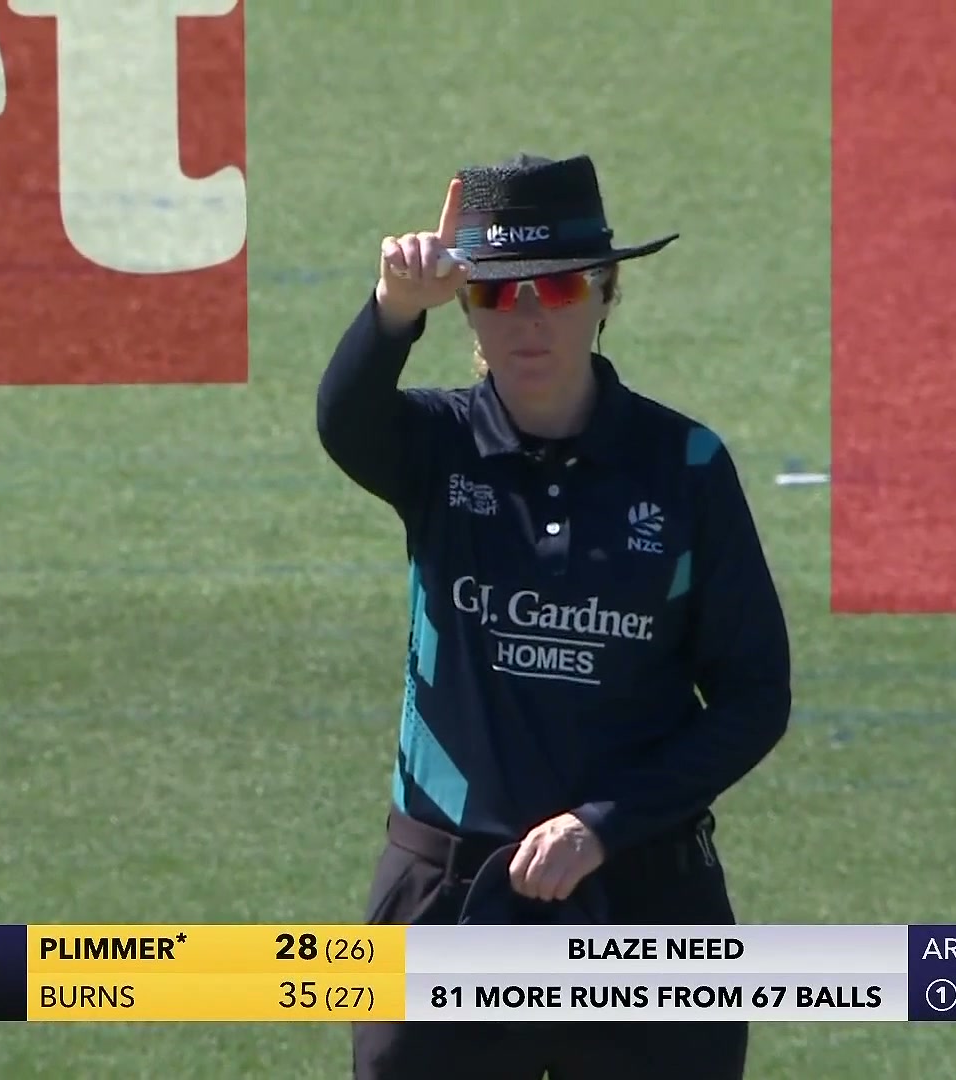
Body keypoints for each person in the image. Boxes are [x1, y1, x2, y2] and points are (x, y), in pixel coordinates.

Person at [316, 152, 792, 1080]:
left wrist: (603, 824)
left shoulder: (687, 466)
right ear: (467, 310)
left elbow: (753, 698)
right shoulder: (436, 446)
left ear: (607, 293)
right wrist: (393, 309)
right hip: (448, 896)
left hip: (645, 897)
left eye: (559, 286)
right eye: (497, 293)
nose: (528, 316)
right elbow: (345, 420)